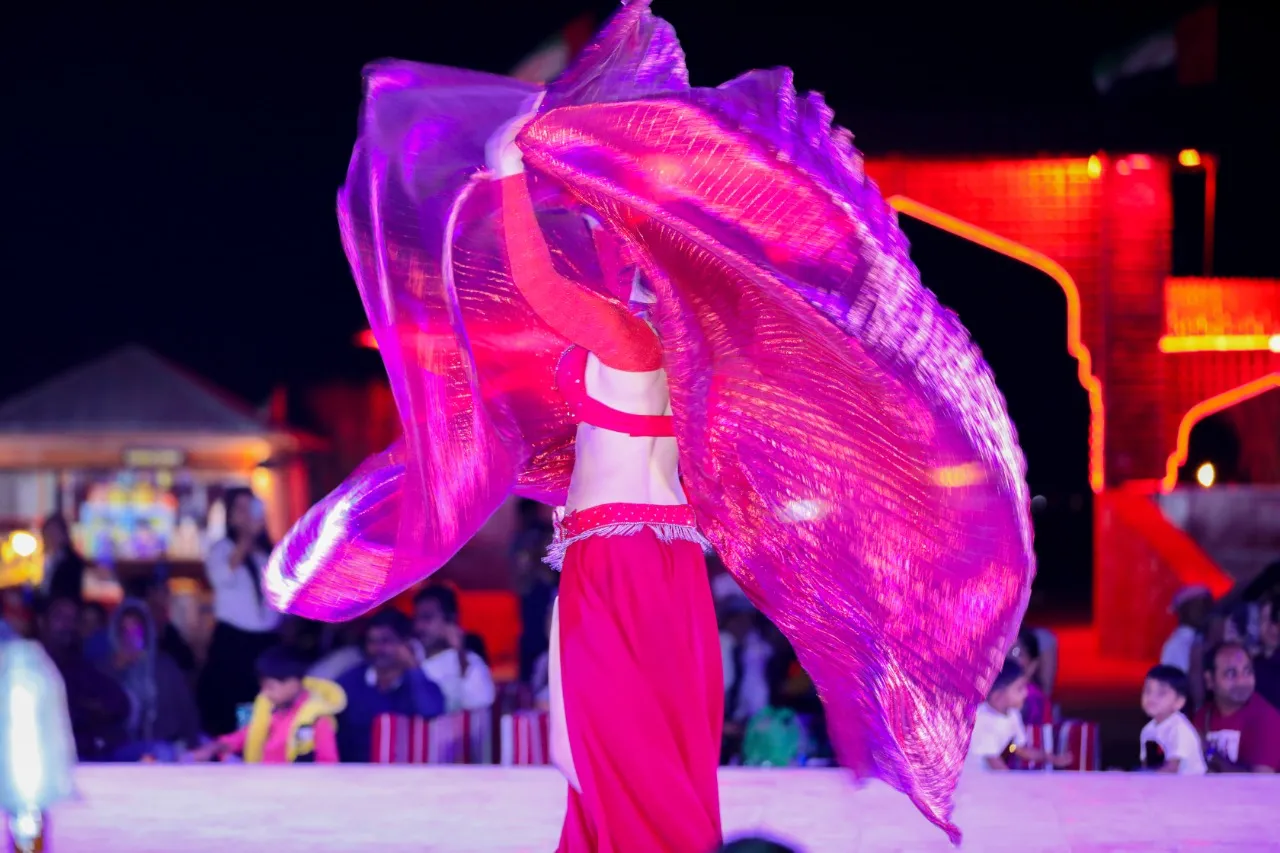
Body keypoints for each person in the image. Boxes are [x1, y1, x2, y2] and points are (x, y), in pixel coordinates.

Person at [264, 2, 1035, 844]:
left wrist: (508, 176)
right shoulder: (698, 363)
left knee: (619, 770)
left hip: (621, 571)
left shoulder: (634, 342)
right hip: (665, 577)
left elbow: (541, 287)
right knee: (647, 766)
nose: (609, 244)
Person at [197, 487, 281, 736]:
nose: (246, 515)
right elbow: (222, 577)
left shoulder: (266, 552)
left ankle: (266, 748)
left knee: (267, 702)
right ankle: (236, 750)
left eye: (250, 508)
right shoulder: (220, 549)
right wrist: (245, 539)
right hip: (234, 641)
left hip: (266, 640)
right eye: (240, 510)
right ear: (231, 516)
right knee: (236, 704)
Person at [190, 646, 344, 764]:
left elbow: (328, 765)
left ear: (294, 683)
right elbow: (245, 736)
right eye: (263, 687)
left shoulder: (318, 720)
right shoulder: (269, 710)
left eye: (270, 687)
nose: (265, 693)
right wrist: (213, 747)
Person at [335, 609, 445, 763]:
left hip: (407, 779)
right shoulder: (350, 681)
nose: (378, 649)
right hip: (354, 777)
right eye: (372, 641)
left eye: (386, 641)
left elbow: (431, 712)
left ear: (405, 644)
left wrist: (413, 669)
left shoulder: (418, 682)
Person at [102, 598, 201, 760]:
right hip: (120, 752)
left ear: (147, 631)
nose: (130, 635)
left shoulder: (165, 667)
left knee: (163, 752)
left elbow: (187, 712)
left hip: (164, 749)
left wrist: (193, 745)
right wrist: (118, 670)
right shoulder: (106, 670)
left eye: (136, 628)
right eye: (124, 629)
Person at [36, 595, 131, 761]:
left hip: (83, 760)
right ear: (41, 622)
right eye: (60, 617)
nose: (67, 626)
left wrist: (88, 711)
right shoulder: (27, 664)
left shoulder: (80, 667)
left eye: (72, 619)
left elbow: (121, 703)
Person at [966, 660, 1073, 772]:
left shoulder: (1013, 714)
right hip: (974, 780)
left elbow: (1018, 749)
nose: (1026, 693)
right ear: (997, 696)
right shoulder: (982, 719)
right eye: (1019, 688)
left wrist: (1051, 758)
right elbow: (993, 761)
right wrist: (1013, 784)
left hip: (990, 778)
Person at [1193, 641, 1280, 772]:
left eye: (1247, 671)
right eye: (1231, 673)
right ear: (1210, 680)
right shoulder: (1202, 716)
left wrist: (1209, 750)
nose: (1241, 681)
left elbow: (1259, 786)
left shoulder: (1266, 717)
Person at [412, 585, 496, 713]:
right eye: (417, 618)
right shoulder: (410, 656)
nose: (419, 626)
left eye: (427, 618)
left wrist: (460, 657)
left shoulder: (469, 661)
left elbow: (480, 705)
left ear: (450, 620)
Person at [1138, 664, 1206, 774]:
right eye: (1148, 691)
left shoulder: (1179, 729)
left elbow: (1172, 769)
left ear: (1179, 702)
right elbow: (1147, 765)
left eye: (1161, 693)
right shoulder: (1147, 730)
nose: (1151, 698)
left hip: (1191, 787)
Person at [39, 515, 86, 603]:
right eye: (49, 532)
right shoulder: (43, 559)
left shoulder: (73, 562)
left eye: (55, 532)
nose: (52, 536)